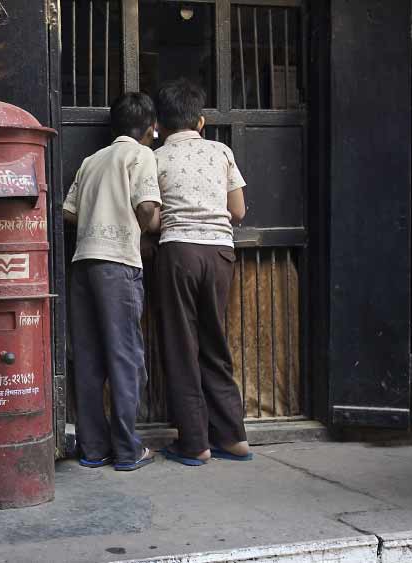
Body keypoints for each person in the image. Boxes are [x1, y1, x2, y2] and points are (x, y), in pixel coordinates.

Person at [152, 78, 251, 466]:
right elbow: (238, 211)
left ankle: (194, 443)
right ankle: (233, 437)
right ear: (202, 121)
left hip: (179, 252)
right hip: (220, 254)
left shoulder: (155, 158)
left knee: (181, 347)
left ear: (159, 124)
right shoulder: (221, 152)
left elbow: (153, 218)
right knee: (215, 344)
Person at [63, 92, 162, 471]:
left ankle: (93, 448)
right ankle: (127, 449)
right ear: (149, 128)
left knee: (88, 358)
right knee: (125, 356)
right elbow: (146, 208)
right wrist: (151, 225)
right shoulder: (141, 155)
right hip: (118, 263)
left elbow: (68, 213)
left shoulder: (91, 161)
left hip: (82, 263)